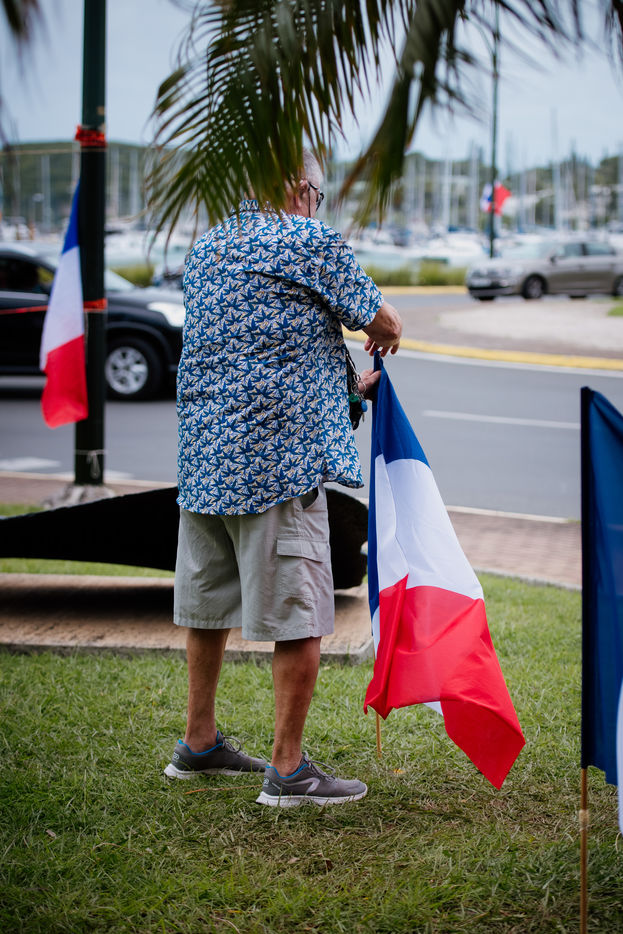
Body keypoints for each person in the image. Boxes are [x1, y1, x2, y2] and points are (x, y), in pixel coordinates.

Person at [164, 149, 402, 807]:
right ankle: (289, 770)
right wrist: (384, 339)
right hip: (277, 465)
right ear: (302, 190)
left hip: (204, 461)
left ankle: (198, 743)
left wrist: (347, 390)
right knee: (302, 613)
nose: (317, 208)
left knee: (208, 605)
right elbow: (384, 322)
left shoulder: (209, 245)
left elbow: (258, 348)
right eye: (318, 197)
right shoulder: (308, 240)